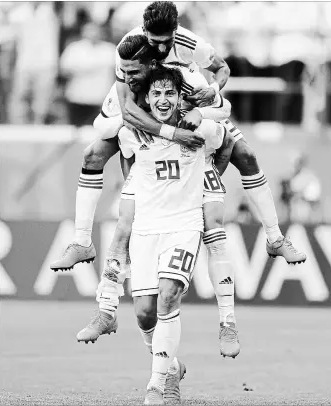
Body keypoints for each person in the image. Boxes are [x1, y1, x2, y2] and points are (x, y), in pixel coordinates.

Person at [51, 1, 306, 277]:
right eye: (154, 42)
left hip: (184, 105)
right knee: (93, 155)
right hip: (142, 109)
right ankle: (82, 241)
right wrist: (172, 133)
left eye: (166, 42)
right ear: (144, 32)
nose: (161, 49)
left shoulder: (188, 52)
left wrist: (210, 92)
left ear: (176, 30)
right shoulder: (129, 49)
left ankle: (275, 237)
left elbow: (222, 71)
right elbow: (127, 110)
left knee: (246, 155)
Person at [52, 34, 239, 361]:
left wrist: (205, 114)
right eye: (123, 70)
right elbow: (103, 127)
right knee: (123, 221)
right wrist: (136, 166)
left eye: (131, 69)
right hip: (150, 168)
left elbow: (224, 121)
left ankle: (228, 321)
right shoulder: (126, 87)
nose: (126, 75)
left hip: (196, 166)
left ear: (151, 62)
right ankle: (106, 308)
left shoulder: (186, 77)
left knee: (215, 224)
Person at [120, 65, 225, 405]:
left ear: (180, 98)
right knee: (144, 314)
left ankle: (155, 386)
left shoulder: (201, 128)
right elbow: (121, 156)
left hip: (184, 225)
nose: (163, 100)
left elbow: (226, 142)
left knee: (168, 296)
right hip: (146, 229)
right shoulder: (133, 133)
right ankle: (171, 367)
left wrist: (212, 177)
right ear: (146, 99)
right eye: (156, 94)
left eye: (169, 93)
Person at [60, 22, 116, 126]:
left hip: (101, 99)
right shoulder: (74, 48)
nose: (93, 34)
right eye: (89, 30)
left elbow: (117, 74)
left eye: (95, 31)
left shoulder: (110, 49)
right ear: (83, 32)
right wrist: (81, 70)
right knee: (76, 128)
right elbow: (64, 71)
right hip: (77, 97)